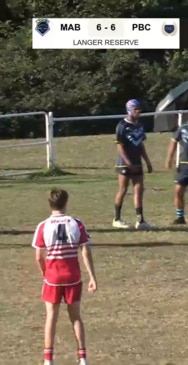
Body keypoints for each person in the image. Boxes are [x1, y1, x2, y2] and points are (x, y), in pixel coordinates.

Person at [32, 189, 97, 365]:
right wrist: (92, 277)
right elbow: (85, 250)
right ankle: (82, 358)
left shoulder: (43, 226)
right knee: (75, 317)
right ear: (66, 203)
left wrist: (45, 274)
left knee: (51, 318)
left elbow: (39, 256)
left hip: (53, 277)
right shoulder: (76, 224)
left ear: (49, 203)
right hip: (73, 277)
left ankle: (48, 360)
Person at [113, 99, 153, 230]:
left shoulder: (139, 126)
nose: (138, 111)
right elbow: (120, 147)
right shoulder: (122, 126)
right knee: (123, 190)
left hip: (137, 163)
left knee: (139, 190)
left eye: (139, 109)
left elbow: (140, 144)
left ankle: (140, 220)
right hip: (124, 164)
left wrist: (147, 161)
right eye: (136, 109)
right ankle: (117, 218)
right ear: (129, 110)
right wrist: (128, 163)